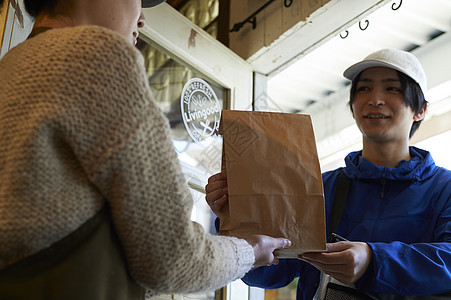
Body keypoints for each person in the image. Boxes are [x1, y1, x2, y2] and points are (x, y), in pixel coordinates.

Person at [0, 0, 292, 299]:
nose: (141, 20)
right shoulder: (94, 54)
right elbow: (172, 258)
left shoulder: (11, 67)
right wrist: (250, 250)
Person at [206, 48, 451, 299]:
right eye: (364, 89)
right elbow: (272, 272)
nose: (375, 99)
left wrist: (373, 261)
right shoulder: (320, 186)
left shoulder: (445, 188)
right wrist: (235, 219)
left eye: (392, 89)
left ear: (420, 109)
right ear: (353, 106)